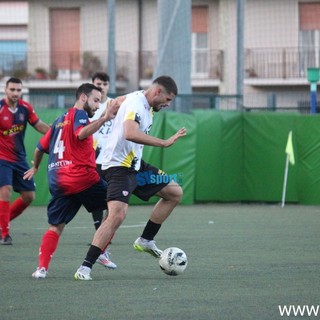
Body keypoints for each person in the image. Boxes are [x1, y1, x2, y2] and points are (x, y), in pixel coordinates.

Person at [74, 75, 187, 280]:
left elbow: (117, 101)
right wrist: (164, 142)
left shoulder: (139, 98)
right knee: (117, 215)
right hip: (118, 167)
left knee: (174, 192)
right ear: (157, 92)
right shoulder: (136, 103)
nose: (168, 104)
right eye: (168, 100)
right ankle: (85, 267)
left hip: (136, 166)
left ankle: (145, 240)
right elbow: (129, 133)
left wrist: (111, 109)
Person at [23, 83, 121, 279]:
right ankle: (101, 251)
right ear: (83, 98)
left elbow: (39, 147)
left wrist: (35, 167)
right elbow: (81, 133)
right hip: (82, 177)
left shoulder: (58, 121)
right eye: (95, 101)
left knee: (55, 227)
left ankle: (41, 269)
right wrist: (104, 118)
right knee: (118, 207)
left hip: (59, 180)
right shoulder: (80, 115)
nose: (96, 106)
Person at [0, 77, 50, 245]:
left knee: (29, 196)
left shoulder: (25, 108)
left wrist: (55, 132)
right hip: (2, 159)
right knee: (5, 189)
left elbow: (39, 125)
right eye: (12, 89)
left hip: (19, 158)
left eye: (18, 90)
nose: (15, 93)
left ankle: (1, 225)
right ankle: (5, 234)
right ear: (5, 90)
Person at [90, 72, 114, 231]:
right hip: (93, 158)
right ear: (93, 85)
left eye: (105, 84)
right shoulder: (89, 106)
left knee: (113, 197)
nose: (102, 87)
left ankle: (106, 228)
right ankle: (99, 229)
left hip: (113, 159)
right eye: (99, 84)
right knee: (96, 196)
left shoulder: (115, 104)